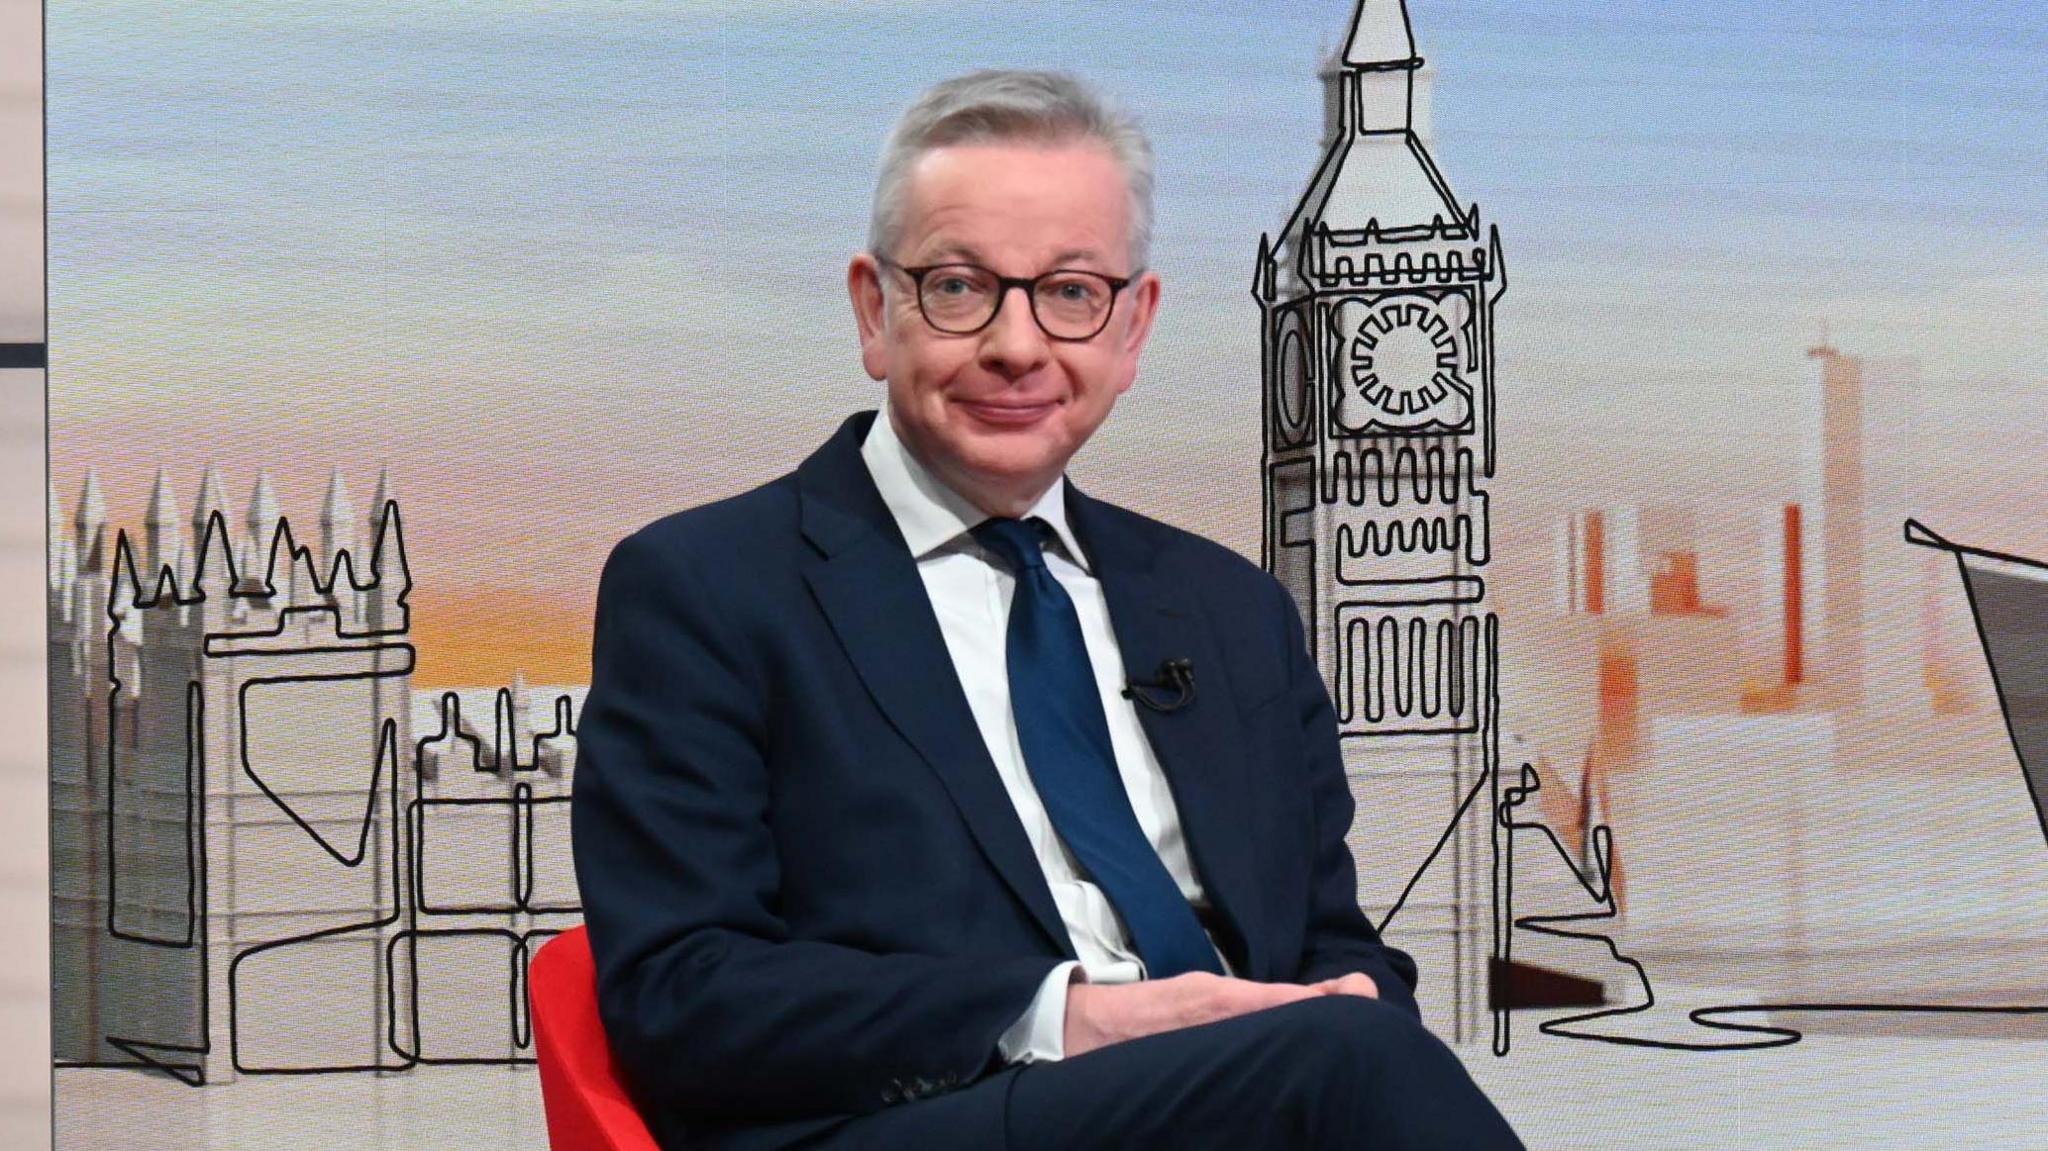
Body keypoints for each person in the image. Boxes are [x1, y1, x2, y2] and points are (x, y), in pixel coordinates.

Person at [571, 68, 1523, 1151]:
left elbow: (1331, 945)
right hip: (914, 1116)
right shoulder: (706, 587)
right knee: (1345, 1058)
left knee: (1354, 1036)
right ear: (875, 312)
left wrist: (1339, 1002)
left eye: (1070, 292)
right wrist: (1067, 1018)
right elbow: (684, 992)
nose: (1017, 345)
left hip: (1252, 1101)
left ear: (1131, 329)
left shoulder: (1231, 610)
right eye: (960, 286)